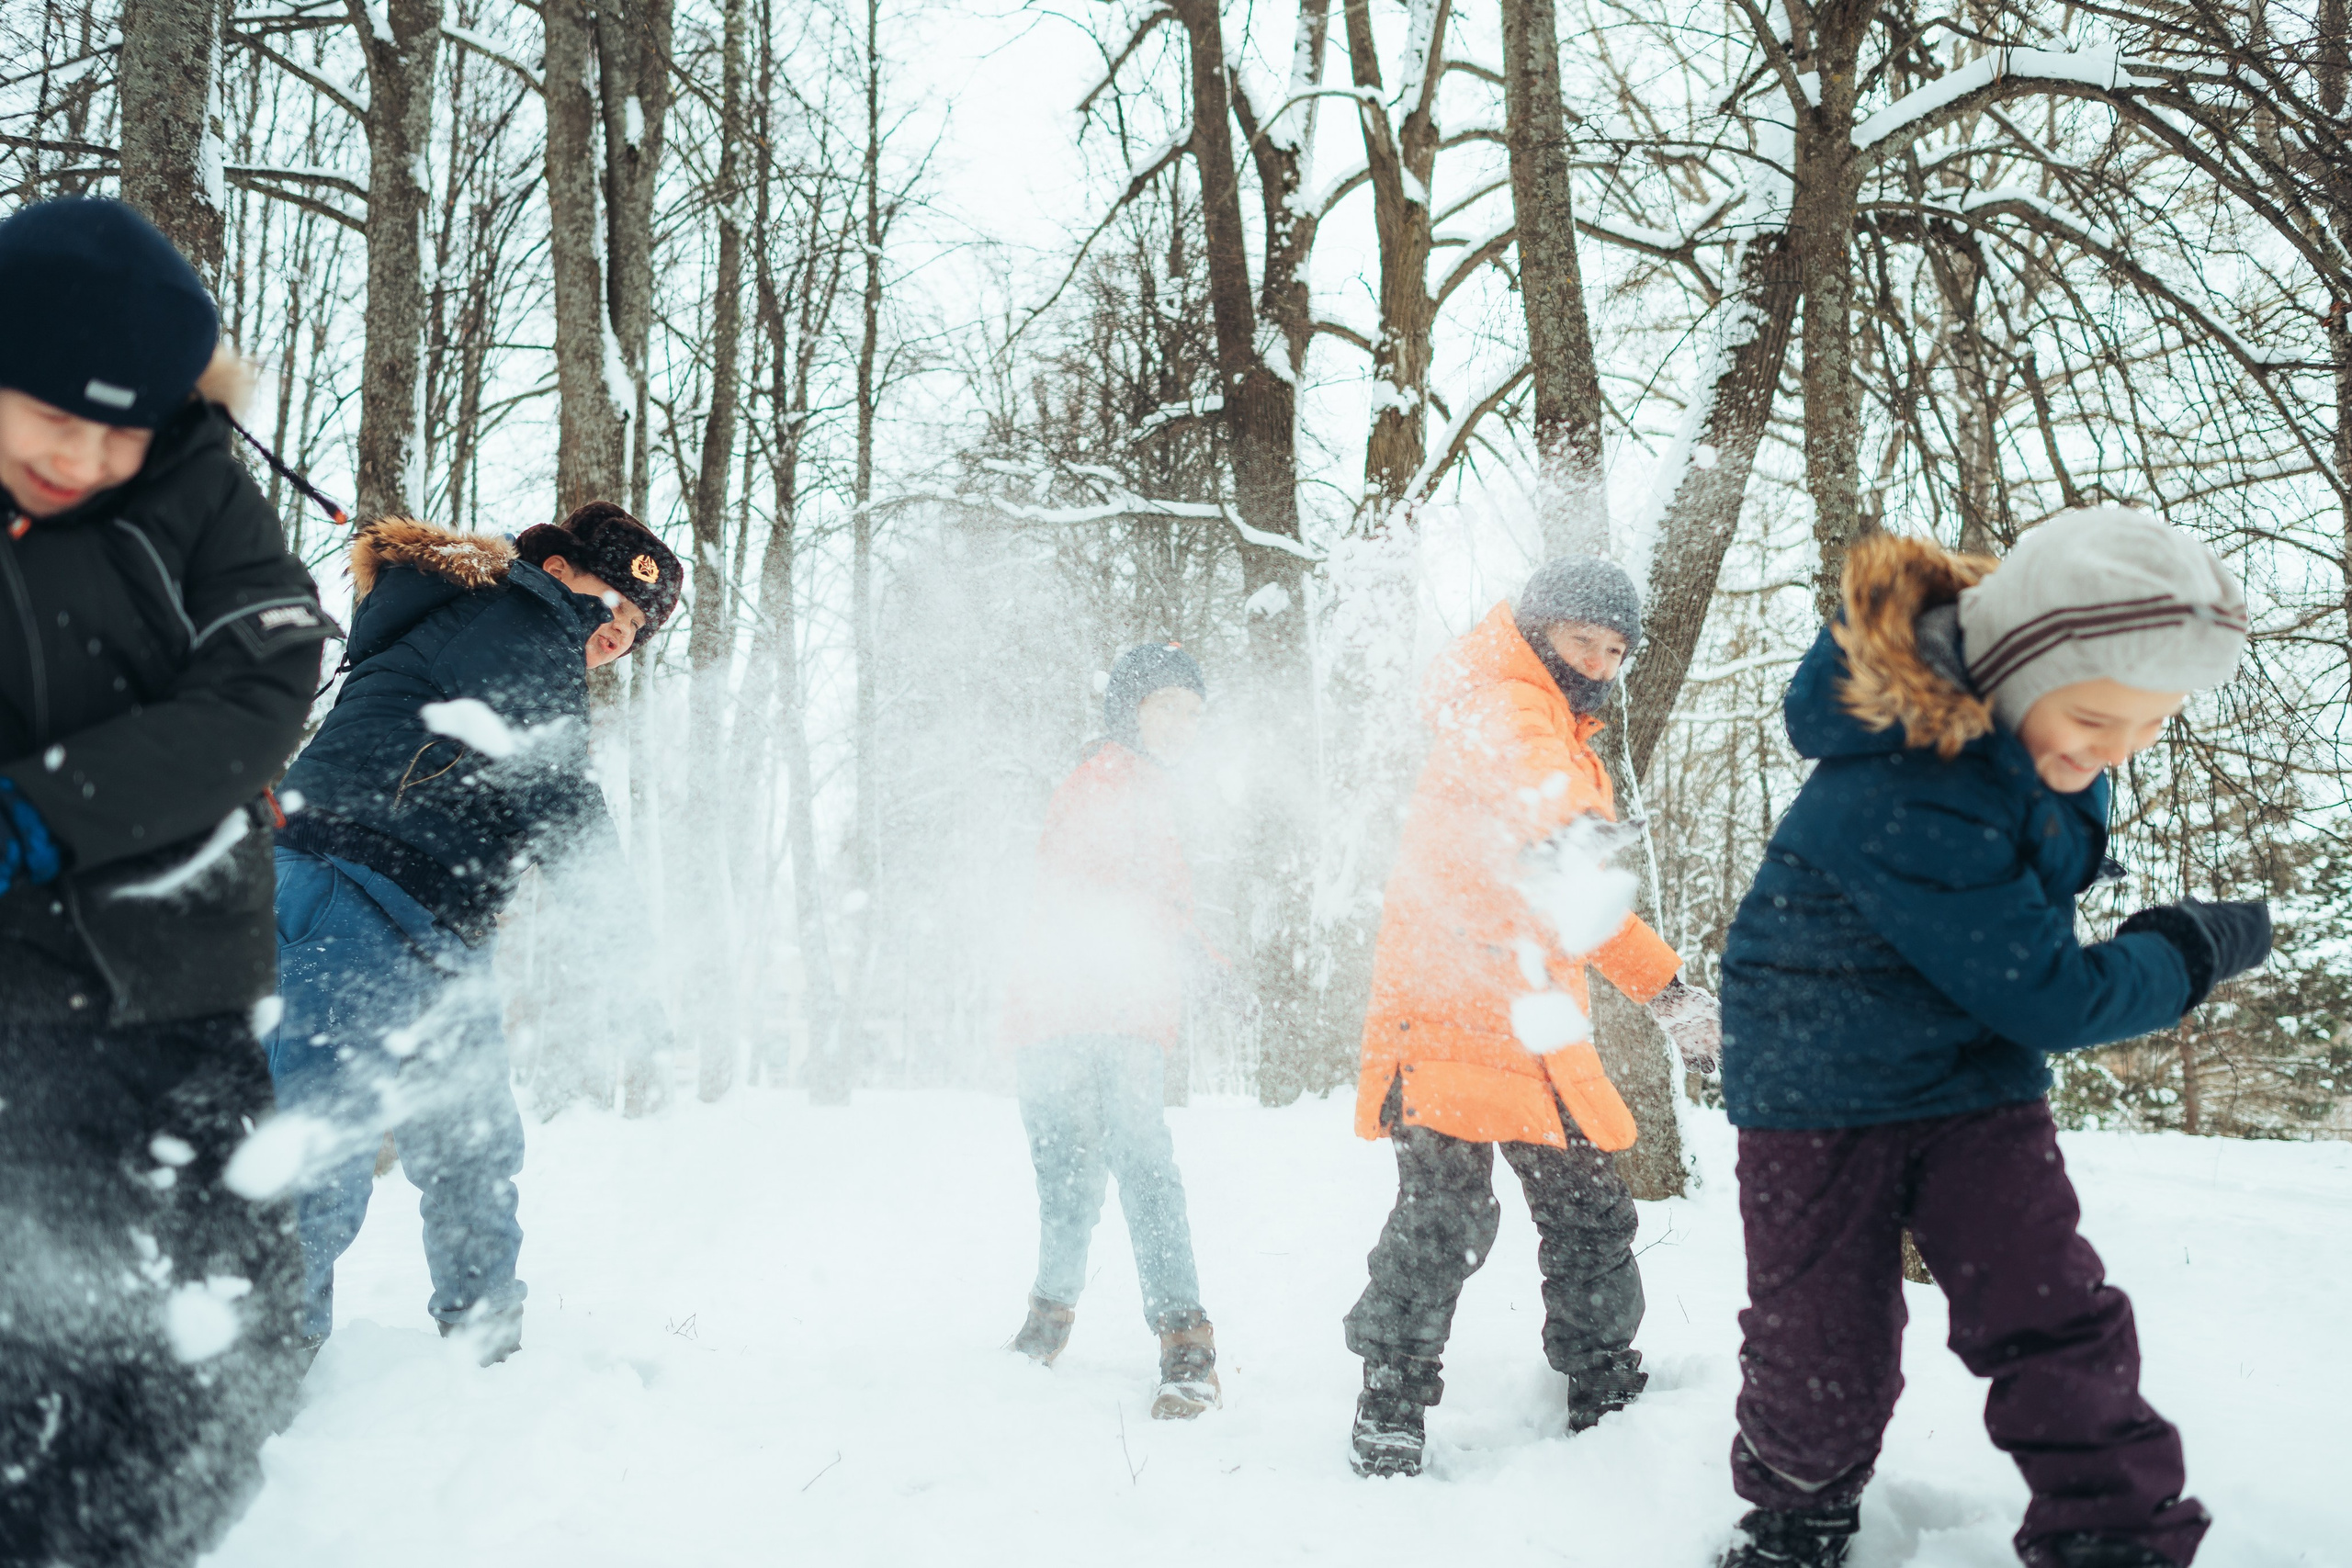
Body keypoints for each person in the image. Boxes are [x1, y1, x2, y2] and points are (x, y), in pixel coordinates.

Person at [1714, 510, 2267, 1568]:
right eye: (2099, 719)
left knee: (2049, 1305)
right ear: (2016, 666)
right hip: (1816, 1087)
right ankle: (1798, 1506)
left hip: (1969, 1074)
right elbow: (2048, 995)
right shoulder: (1907, 784)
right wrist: (2186, 951)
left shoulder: (2029, 746)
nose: (2115, 751)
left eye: (2147, 727)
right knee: (1822, 1339)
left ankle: (2111, 1530)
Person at [0, 198, 334, 1567]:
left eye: (117, 428)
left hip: (172, 988)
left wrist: (43, 808)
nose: (83, 456)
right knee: (32, 1337)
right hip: (14, 1019)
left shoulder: (197, 495)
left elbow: (263, 678)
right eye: (49, 418)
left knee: (210, 1341)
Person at [265, 502, 680, 1363]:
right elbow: (564, 804)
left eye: (636, 632)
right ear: (560, 568)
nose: (617, 637)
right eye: (616, 607)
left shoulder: (516, 630)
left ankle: (486, 1357)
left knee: (471, 1144)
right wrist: (628, 964)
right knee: (324, 1154)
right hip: (349, 886)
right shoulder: (520, 618)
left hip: (435, 925)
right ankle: (259, 1375)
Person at [1343, 558, 1722, 1478]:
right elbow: (1534, 778)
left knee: (1589, 1213)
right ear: (1539, 630)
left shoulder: (1543, 714)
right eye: (1583, 641)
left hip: (1529, 1017)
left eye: (1615, 650)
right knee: (1445, 1218)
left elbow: (1571, 903)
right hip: (1449, 1010)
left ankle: (1605, 1389)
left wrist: (1669, 994)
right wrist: (1572, 828)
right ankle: (1389, 1404)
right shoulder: (1502, 698)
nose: (1598, 663)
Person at [1000, 641, 1240, 1419]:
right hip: (1069, 1011)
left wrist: (1199, 955)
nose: (1181, 725)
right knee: (1097, 1176)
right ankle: (1072, 1326)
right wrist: (1179, 949)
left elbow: (1151, 903)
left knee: (1125, 1169)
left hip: (1112, 1014)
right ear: (1129, 708)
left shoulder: (1145, 791)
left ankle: (1168, 1335)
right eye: (1167, 706)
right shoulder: (1105, 782)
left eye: (1194, 714)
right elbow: (1091, 895)